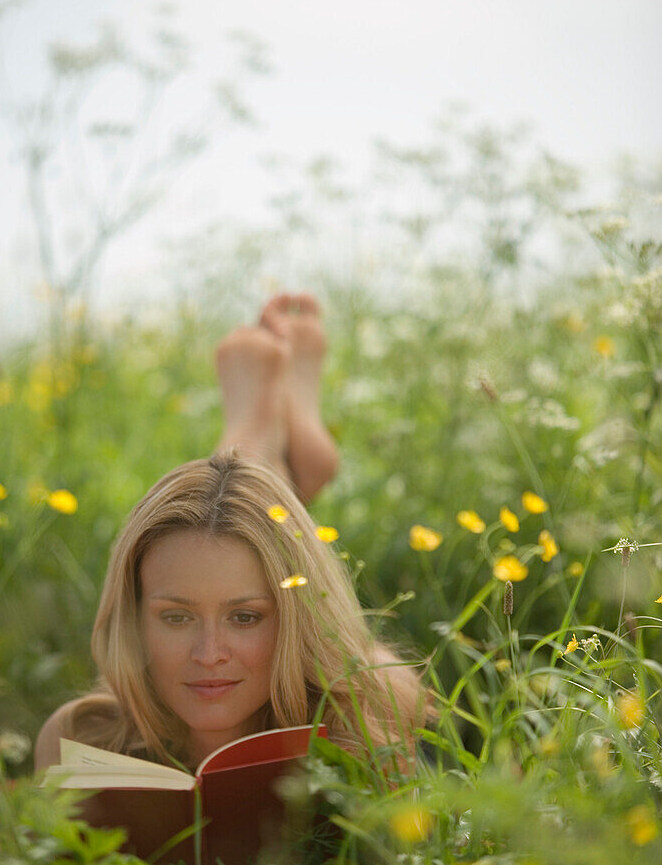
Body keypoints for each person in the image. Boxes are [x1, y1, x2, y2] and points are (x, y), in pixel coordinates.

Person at [34, 293, 427, 775]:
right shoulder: (79, 741)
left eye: (245, 617)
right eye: (176, 618)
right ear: (134, 620)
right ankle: (264, 429)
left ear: (293, 621)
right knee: (229, 529)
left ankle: (256, 429)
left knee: (234, 526)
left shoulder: (370, 719)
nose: (209, 655)